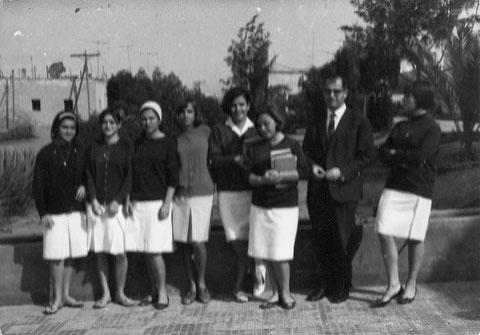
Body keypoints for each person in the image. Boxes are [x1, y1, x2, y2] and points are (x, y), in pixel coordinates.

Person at [303, 73, 375, 303]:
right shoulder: (315, 121)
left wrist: (342, 172)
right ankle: (325, 284)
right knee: (321, 239)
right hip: (319, 191)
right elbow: (305, 153)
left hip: (344, 192)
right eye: (327, 91)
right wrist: (312, 167)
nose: (331, 95)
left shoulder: (358, 121)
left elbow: (367, 156)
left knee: (342, 240)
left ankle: (342, 286)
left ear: (345, 93)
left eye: (336, 91)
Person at [372, 80, 441, 307]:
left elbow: (421, 157)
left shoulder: (432, 127)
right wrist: (400, 156)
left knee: (415, 236)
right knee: (383, 229)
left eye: (408, 96)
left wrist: (396, 154)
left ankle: (411, 283)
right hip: (395, 186)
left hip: (418, 189)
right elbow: (383, 152)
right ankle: (393, 284)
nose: (403, 99)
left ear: (420, 99)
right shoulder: (400, 126)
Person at [245, 105, 308, 310]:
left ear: (277, 122)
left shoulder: (292, 144)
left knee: (280, 252)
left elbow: (304, 172)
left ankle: (286, 293)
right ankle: (274, 293)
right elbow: (248, 176)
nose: (263, 128)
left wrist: (281, 176)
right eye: (260, 125)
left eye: (267, 124)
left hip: (284, 206)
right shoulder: (255, 147)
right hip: (261, 205)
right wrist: (262, 179)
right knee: (266, 249)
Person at [208, 87, 262, 303]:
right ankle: (249, 279)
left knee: (254, 240)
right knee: (235, 240)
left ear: (248, 106)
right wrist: (234, 160)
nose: (238, 109)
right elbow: (213, 159)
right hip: (228, 194)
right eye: (233, 105)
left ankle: (247, 285)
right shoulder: (219, 130)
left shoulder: (257, 128)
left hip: (252, 193)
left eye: (242, 104)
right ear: (227, 107)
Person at [33, 111, 88, 315]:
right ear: (57, 128)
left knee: (71, 254)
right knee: (57, 256)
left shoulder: (81, 151)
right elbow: (37, 186)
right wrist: (43, 212)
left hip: (76, 212)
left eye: (72, 128)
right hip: (53, 214)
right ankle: (56, 299)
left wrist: (84, 186)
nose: (68, 131)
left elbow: (88, 176)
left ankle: (66, 295)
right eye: (64, 127)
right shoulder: (45, 154)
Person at [126, 101, 178, 310]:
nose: (147, 122)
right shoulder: (136, 143)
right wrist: (128, 198)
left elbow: (173, 177)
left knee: (155, 250)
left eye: (152, 118)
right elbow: (130, 174)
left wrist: (167, 203)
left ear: (159, 119)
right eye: (144, 119)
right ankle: (153, 290)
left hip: (158, 204)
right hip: (138, 203)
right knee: (145, 249)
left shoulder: (168, 143)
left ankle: (163, 291)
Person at [86, 106, 135, 308]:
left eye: (112, 122)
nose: (107, 126)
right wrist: (94, 199)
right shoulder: (94, 147)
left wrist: (119, 199)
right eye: (104, 122)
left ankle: (120, 293)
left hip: (118, 207)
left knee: (120, 252)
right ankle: (105, 293)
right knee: (101, 250)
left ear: (119, 125)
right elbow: (88, 174)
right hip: (98, 206)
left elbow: (130, 175)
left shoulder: (126, 146)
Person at [172, 99, 214, 305]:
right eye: (181, 112)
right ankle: (191, 286)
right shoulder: (174, 138)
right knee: (184, 242)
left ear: (195, 113)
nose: (185, 115)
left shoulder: (206, 131)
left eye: (189, 111)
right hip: (180, 195)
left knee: (198, 241)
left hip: (202, 192)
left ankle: (202, 283)